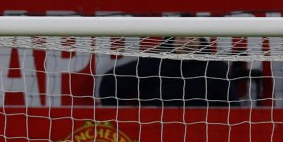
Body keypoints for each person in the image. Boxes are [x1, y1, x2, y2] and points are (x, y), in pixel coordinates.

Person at [97, 37, 231, 107]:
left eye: (192, 38)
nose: (187, 43)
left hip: (207, 130)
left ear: (201, 42)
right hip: (157, 128)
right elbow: (111, 81)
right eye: (182, 38)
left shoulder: (216, 67)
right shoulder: (153, 63)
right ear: (171, 41)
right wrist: (118, 115)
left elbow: (232, 103)